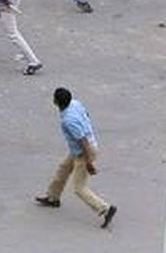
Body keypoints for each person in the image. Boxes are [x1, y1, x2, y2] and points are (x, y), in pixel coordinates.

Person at [35, 87, 118, 229]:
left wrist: (89, 162)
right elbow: (86, 114)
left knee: (79, 188)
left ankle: (105, 209)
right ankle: (53, 197)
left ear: (56, 102)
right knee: (63, 169)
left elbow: (83, 141)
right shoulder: (75, 103)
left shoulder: (68, 121)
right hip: (78, 150)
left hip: (84, 152)